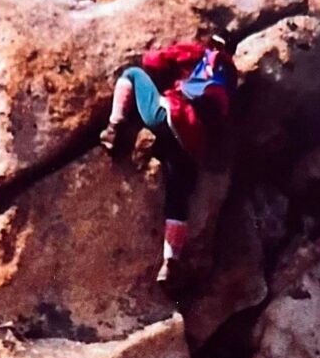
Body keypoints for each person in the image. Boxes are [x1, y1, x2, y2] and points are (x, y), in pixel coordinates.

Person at [100, 34, 237, 283]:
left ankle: (112, 127)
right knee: (177, 195)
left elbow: (153, 61)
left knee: (132, 73)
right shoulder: (228, 79)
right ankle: (170, 261)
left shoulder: (198, 53)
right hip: (192, 143)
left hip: (171, 116)